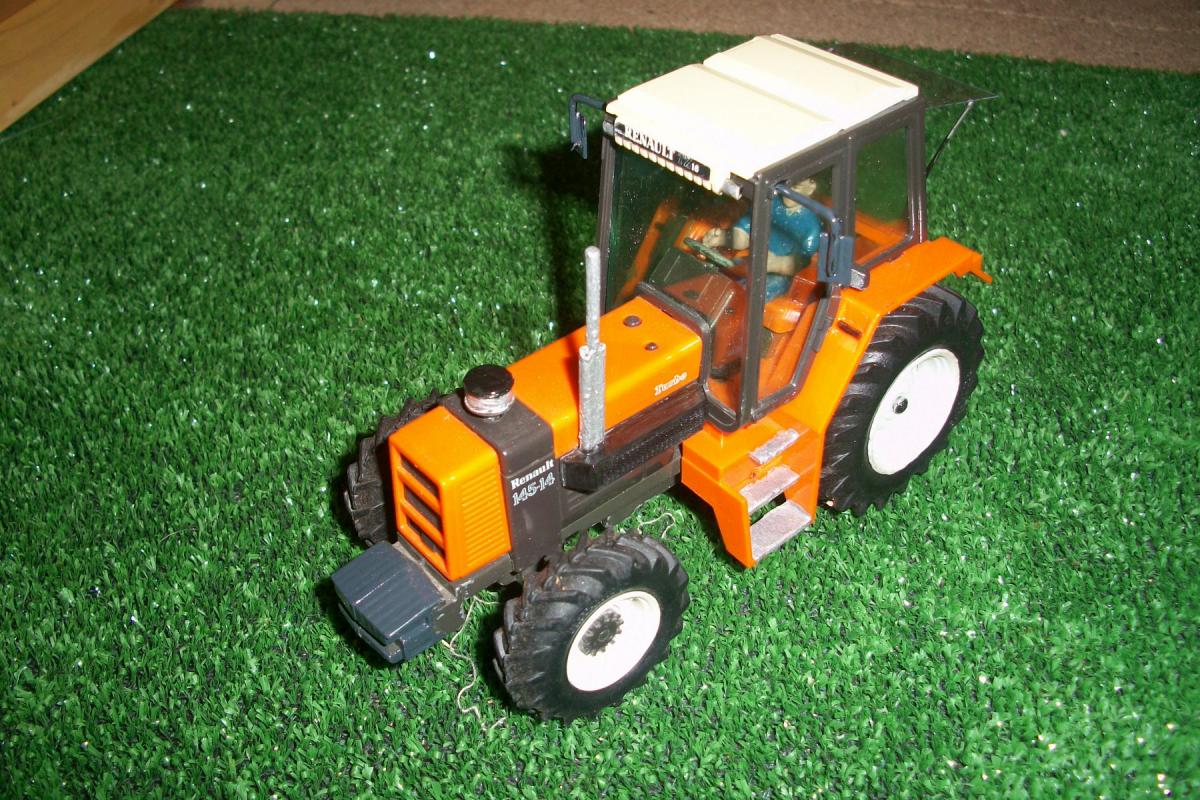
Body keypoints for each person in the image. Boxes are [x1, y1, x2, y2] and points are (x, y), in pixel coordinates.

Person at [702, 177, 822, 300]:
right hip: (752, 261)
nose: (789, 189)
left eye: (796, 186)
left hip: (777, 276)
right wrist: (724, 238)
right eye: (786, 184)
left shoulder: (811, 226)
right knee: (718, 275)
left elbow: (801, 261)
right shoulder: (769, 202)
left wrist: (777, 263)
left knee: (751, 295)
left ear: (811, 187)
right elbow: (746, 233)